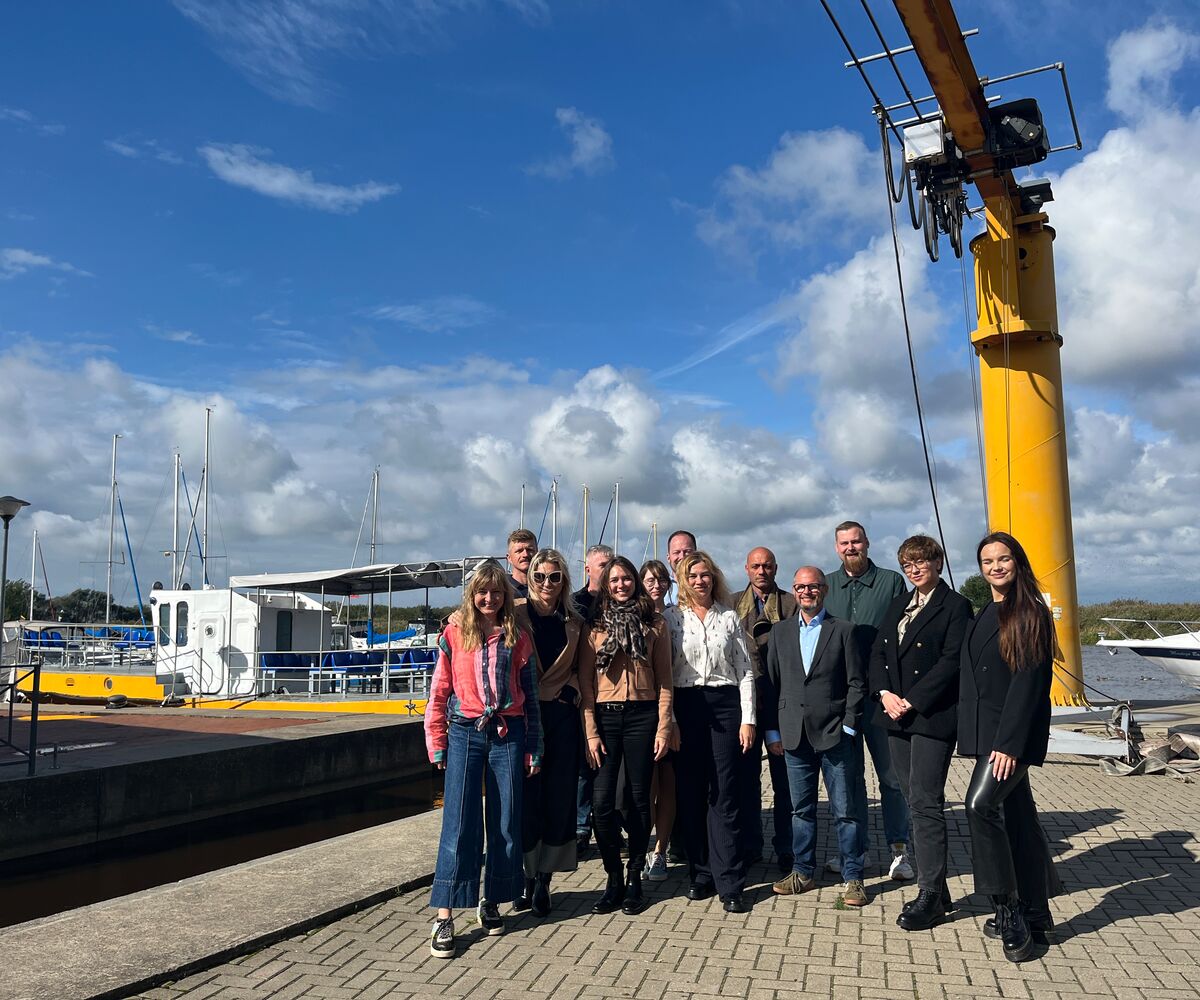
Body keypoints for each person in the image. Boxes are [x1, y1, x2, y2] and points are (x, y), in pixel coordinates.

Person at [423, 560, 542, 959]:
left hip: (509, 734)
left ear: (506, 596)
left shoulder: (517, 636)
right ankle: (444, 914)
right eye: (482, 592)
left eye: (496, 592)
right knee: (459, 823)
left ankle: (491, 900)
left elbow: (531, 698)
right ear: (472, 595)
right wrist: (436, 741)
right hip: (465, 733)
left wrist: (534, 747)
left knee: (506, 821)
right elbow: (440, 690)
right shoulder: (455, 633)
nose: (489, 599)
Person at [959, 531, 1061, 963]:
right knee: (1018, 820)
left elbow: (1029, 683)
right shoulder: (988, 609)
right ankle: (1038, 913)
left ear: (1017, 562)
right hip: (986, 734)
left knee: (978, 806)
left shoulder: (1030, 612)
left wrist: (1010, 744)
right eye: (987, 561)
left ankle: (1008, 909)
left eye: (1003, 559)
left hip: (1009, 739)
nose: (996, 567)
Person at [868, 535, 973, 931]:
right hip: (895, 716)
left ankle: (930, 895)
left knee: (927, 803)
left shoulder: (955, 606)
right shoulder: (899, 605)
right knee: (913, 801)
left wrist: (911, 699)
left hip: (930, 717)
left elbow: (951, 662)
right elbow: (877, 653)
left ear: (938, 563)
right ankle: (939, 885)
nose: (914, 569)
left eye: (921, 562)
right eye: (907, 564)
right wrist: (884, 694)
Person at [765, 566, 869, 907]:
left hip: (834, 734)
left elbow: (857, 683)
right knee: (800, 810)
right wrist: (773, 730)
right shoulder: (779, 633)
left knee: (846, 811)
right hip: (793, 737)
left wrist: (850, 725)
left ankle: (853, 878)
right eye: (800, 587)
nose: (806, 592)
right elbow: (772, 685)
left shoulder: (843, 630)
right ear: (794, 592)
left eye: (812, 587)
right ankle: (802, 872)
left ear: (823, 590)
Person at [579, 556, 673, 915]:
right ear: (606, 584)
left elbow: (664, 680)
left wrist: (664, 725)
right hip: (605, 717)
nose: (621, 585)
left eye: (626, 579)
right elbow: (586, 684)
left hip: (642, 716)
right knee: (602, 805)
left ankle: (635, 877)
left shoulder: (655, 625)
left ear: (635, 581)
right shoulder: (594, 626)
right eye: (614, 580)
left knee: (637, 800)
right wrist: (590, 733)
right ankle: (613, 877)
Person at [665, 551, 757, 914]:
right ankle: (700, 872)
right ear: (683, 581)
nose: (700, 581)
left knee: (724, 792)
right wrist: (669, 720)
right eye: (692, 576)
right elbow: (664, 675)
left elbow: (745, 670)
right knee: (690, 792)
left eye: (705, 575)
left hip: (724, 704)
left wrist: (748, 719)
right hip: (686, 707)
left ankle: (729, 880)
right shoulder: (671, 619)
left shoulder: (730, 616)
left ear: (713, 577)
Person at [824, 520, 912, 881]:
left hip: (880, 697)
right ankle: (855, 853)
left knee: (891, 778)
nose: (850, 548)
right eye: (843, 543)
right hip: (842, 700)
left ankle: (900, 851)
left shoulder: (891, 582)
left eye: (855, 541)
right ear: (836, 548)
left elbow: (903, 636)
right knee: (850, 780)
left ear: (867, 543)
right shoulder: (826, 585)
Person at [513, 548, 583, 918]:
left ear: (563, 580)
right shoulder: (515, 614)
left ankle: (544, 879)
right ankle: (524, 875)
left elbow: (581, 669)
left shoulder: (574, 620)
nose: (546, 583)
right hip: (524, 716)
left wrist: (570, 692)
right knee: (526, 801)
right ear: (529, 577)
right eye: (539, 576)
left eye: (554, 577)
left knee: (558, 799)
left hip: (560, 718)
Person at [732, 546, 797, 873]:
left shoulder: (791, 603)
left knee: (785, 782)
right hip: (745, 706)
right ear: (746, 569)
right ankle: (749, 844)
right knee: (745, 780)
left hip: (782, 704)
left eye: (767, 566)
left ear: (775, 568)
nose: (762, 571)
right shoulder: (730, 604)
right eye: (756, 566)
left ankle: (786, 847)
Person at [573, 543, 614, 853]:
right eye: (601, 564)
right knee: (584, 766)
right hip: (583, 693)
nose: (607, 568)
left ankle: (610, 825)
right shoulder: (574, 604)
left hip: (615, 696)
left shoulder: (624, 601)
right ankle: (581, 825)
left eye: (610, 563)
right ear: (588, 568)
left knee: (611, 763)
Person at [640, 558, 679, 881]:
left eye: (661, 579)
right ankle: (643, 846)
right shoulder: (630, 617)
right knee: (642, 790)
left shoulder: (674, 617)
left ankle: (660, 851)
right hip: (638, 714)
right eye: (649, 579)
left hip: (671, 711)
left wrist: (672, 720)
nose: (655, 584)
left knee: (667, 787)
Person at [572, 544, 614, 623]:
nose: (608, 570)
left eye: (611, 565)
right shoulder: (574, 603)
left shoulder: (619, 600)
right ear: (588, 570)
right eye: (603, 566)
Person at [664, 530, 697, 606]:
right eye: (676, 552)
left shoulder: (708, 586)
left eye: (687, 551)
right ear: (668, 558)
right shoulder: (660, 589)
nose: (682, 557)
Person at [506, 529, 539, 600]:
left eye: (530, 550)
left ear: (537, 554)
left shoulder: (546, 588)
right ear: (509, 558)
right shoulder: (503, 589)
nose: (525, 554)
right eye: (519, 551)